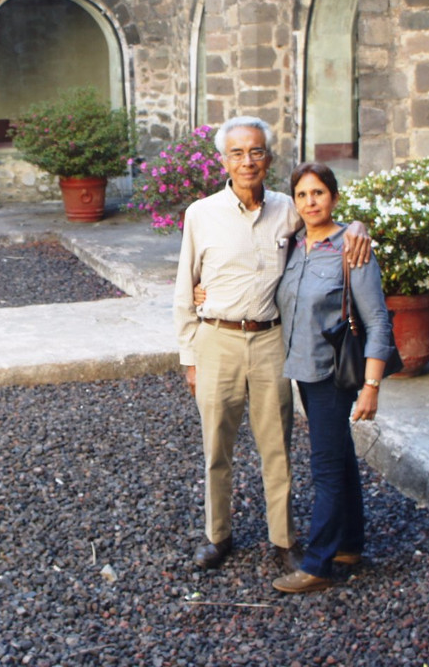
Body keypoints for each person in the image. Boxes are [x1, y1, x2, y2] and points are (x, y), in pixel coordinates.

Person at [173, 117, 371, 571]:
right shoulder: (200, 214)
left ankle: (283, 540)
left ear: (268, 158)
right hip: (216, 340)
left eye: (257, 152)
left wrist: (359, 225)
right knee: (215, 449)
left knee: (276, 447)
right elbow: (186, 289)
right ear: (223, 160)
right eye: (238, 153)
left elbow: (328, 218)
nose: (248, 161)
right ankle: (216, 535)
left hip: (269, 341)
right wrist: (190, 357)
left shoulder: (288, 209)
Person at [271, 161, 395, 593]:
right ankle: (350, 544)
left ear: (334, 198)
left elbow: (378, 321)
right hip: (301, 369)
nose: (310, 202)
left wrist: (372, 387)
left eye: (318, 193)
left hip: (331, 374)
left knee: (325, 467)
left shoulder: (353, 249)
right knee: (340, 456)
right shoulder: (293, 244)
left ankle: (319, 564)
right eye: (302, 195)